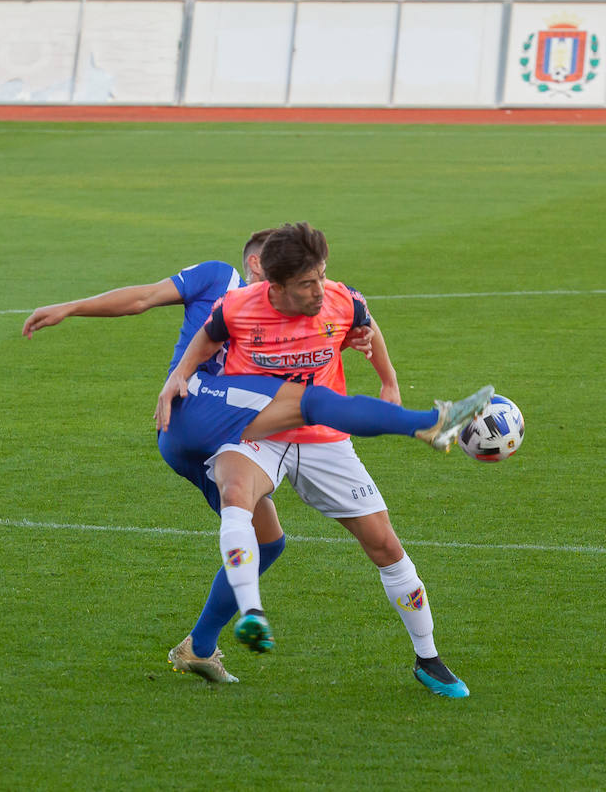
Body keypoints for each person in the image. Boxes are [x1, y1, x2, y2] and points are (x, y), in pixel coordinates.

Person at [156, 222, 478, 697]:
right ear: (275, 286)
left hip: (324, 437)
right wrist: (177, 377)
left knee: (385, 546)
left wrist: (387, 379)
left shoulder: (340, 299)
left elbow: (366, 325)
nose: (319, 289)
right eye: (308, 283)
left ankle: (428, 658)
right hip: (258, 430)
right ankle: (248, 614)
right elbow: (206, 338)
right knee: (235, 495)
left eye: (322, 275)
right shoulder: (240, 307)